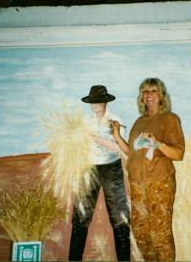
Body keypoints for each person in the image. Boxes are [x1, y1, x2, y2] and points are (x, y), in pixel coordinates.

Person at [112, 78, 185, 261]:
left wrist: (157, 143)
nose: (148, 95)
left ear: (161, 95)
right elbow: (132, 153)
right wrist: (116, 136)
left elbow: (178, 154)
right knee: (141, 233)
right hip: (137, 184)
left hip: (159, 182)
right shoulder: (138, 122)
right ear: (141, 97)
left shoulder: (170, 119)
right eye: (145, 91)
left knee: (159, 233)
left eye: (153, 91)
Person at [69, 85, 130, 261]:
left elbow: (117, 148)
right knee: (80, 215)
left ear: (105, 102)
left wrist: (90, 137)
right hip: (88, 168)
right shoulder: (84, 123)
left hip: (111, 168)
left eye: (98, 102)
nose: (95, 105)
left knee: (119, 216)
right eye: (92, 102)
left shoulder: (115, 121)